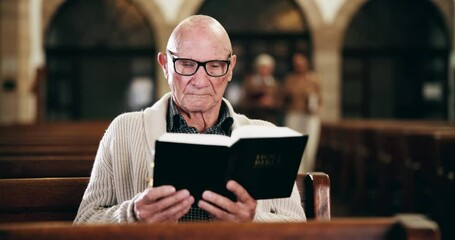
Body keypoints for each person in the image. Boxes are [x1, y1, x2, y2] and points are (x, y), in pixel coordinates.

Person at [74, 15, 306, 224]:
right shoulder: (124, 130)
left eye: (215, 66)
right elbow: (83, 222)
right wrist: (133, 215)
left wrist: (253, 221)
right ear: (165, 65)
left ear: (231, 68)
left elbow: (300, 228)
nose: (200, 80)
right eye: (187, 65)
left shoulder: (265, 136)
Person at [284, 53, 322, 174]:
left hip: (309, 116)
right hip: (294, 114)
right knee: (294, 144)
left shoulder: (313, 79)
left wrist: (314, 105)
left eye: (301, 64)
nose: (299, 67)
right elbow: (284, 98)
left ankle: (307, 172)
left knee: (309, 145)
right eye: (297, 64)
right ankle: (294, 172)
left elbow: (320, 99)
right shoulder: (290, 79)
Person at [241, 53, 282, 124]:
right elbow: (243, 101)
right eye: (262, 68)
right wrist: (257, 103)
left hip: (270, 117)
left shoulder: (275, 84)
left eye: (267, 68)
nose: (264, 70)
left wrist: (272, 103)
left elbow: (280, 102)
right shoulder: (250, 82)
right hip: (252, 117)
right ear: (257, 68)